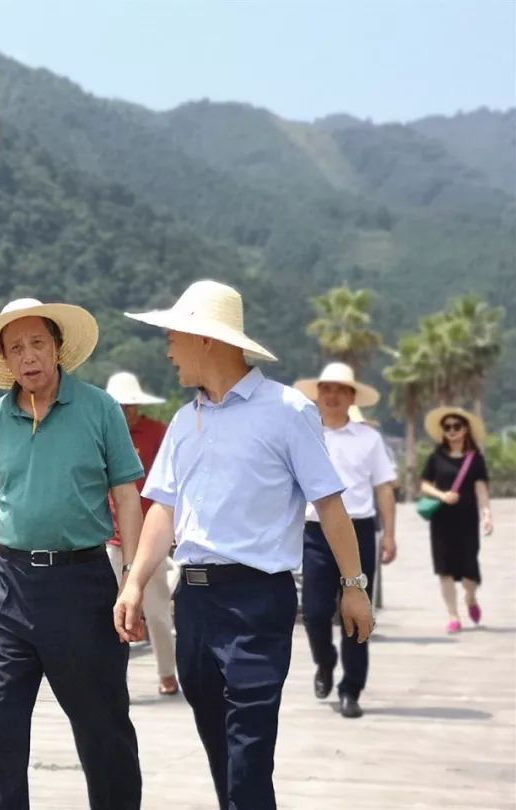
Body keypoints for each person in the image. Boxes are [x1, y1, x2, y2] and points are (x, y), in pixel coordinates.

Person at [112, 280, 374, 810]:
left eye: (173, 336)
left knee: (249, 756)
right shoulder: (186, 422)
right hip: (196, 603)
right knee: (222, 755)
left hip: (259, 602)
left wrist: (354, 585)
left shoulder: (287, 410)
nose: (166, 348)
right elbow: (162, 509)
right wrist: (135, 581)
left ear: (206, 339)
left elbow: (329, 505)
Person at [0, 298, 145, 810]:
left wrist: (131, 577)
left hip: (82, 585)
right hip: (8, 589)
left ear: (58, 348)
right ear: (5, 360)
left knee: (102, 727)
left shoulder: (99, 408)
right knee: (2, 729)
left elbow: (127, 494)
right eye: (15, 348)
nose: (28, 356)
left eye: (37, 343)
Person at [294, 362, 397, 719]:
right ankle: (325, 661)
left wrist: (390, 535)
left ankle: (352, 688)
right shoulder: (304, 434)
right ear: (317, 394)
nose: (332, 395)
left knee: (356, 612)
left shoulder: (369, 438)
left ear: (352, 397)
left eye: (340, 389)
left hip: (359, 531)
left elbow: (383, 487)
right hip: (314, 532)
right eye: (326, 388)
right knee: (315, 611)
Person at [104, 371, 179, 695]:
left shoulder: (157, 432)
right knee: (109, 613)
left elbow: (173, 482)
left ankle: (167, 673)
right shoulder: (100, 434)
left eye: (131, 404)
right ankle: (113, 679)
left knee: (158, 611)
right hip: (110, 537)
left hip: (150, 538)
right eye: (121, 405)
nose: (127, 411)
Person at [419, 406, 493, 633]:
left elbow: (481, 489)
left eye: (456, 426)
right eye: (447, 427)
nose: (451, 430)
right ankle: (453, 615)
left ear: (465, 430)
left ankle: (470, 598)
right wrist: (443, 495)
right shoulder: (436, 457)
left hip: (468, 520)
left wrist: (487, 514)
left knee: (470, 569)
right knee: (445, 569)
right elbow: (424, 485)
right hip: (441, 521)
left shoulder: (475, 459)